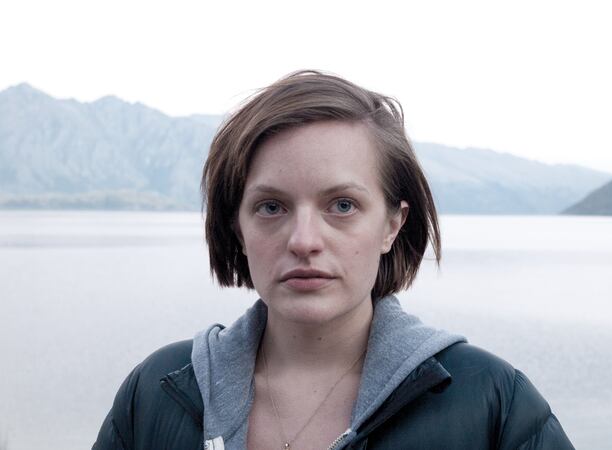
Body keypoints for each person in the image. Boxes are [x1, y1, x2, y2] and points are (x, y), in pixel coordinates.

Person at [93, 70, 574, 450]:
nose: (304, 241)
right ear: (237, 227)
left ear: (392, 224)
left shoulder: (493, 402)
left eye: (342, 205)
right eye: (271, 207)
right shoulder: (156, 395)